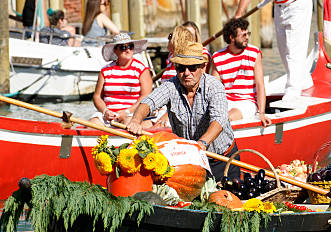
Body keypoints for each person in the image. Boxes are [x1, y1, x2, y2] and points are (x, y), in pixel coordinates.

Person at [126, 42, 240, 181]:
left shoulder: (214, 86)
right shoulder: (170, 86)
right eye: (181, 68)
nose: (186, 73)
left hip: (222, 159)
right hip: (191, 161)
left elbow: (219, 120)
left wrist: (202, 144)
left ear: (202, 67)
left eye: (192, 68)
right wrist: (136, 120)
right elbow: (148, 102)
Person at [235, 0, 313, 101]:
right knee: (283, 50)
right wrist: (238, 15)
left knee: (293, 49)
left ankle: (292, 92)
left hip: (298, 2)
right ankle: (304, 80)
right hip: (279, 6)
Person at [211, 18, 271, 126]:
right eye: (243, 35)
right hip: (226, 100)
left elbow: (260, 85)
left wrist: (261, 113)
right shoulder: (217, 57)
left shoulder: (254, 53)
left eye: (248, 34)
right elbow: (213, 89)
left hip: (246, 102)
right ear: (232, 37)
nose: (247, 38)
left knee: (227, 117)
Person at [90, 33, 152, 126]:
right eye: (123, 47)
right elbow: (97, 97)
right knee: (93, 123)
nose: (128, 50)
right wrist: (105, 111)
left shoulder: (141, 69)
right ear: (115, 50)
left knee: (128, 122)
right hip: (108, 115)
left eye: (130, 47)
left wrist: (127, 112)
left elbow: (146, 97)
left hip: (132, 113)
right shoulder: (105, 70)